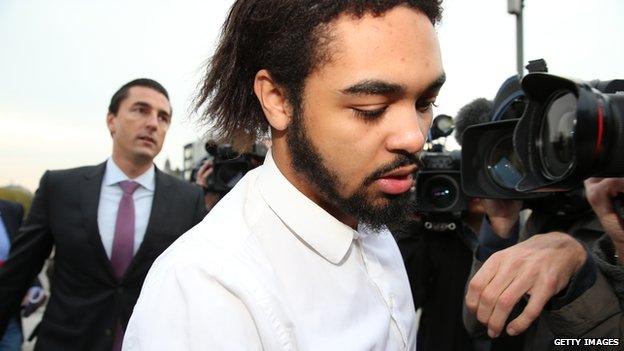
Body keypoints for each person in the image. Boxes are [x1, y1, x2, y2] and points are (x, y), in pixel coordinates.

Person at [124, 1, 445, 349]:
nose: (414, 136)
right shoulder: (207, 292)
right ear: (278, 99)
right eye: (372, 109)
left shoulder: (368, 218)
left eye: (424, 103)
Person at [0, 79, 207, 351]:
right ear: (111, 120)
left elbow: (197, 286)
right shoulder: (60, 187)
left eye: (163, 117)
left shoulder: (188, 199)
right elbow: (18, 273)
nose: (153, 123)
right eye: (140, 110)